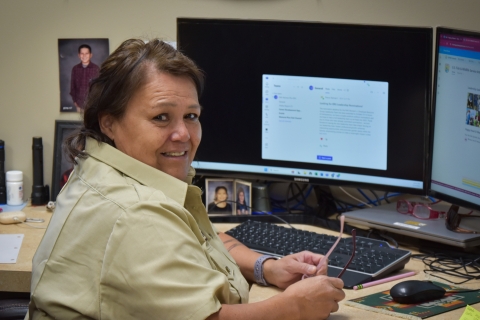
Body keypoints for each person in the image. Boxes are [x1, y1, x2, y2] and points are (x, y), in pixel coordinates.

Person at [27, 39, 345, 319]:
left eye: (191, 116)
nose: (183, 135)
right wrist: (294, 308)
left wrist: (268, 266)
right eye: (160, 117)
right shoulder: (136, 213)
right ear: (109, 123)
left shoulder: (106, 170)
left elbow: (195, 243)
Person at [70, 44, 100, 112]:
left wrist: (94, 102)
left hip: (92, 105)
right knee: (79, 122)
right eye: (82, 54)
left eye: (86, 53)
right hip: (79, 104)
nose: (84, 56)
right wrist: (75, 101)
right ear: (79, 55)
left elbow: (98, 87)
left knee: (91, 122)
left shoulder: (96, 69)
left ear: (90, 55)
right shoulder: (75, 69)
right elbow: (73, 87)